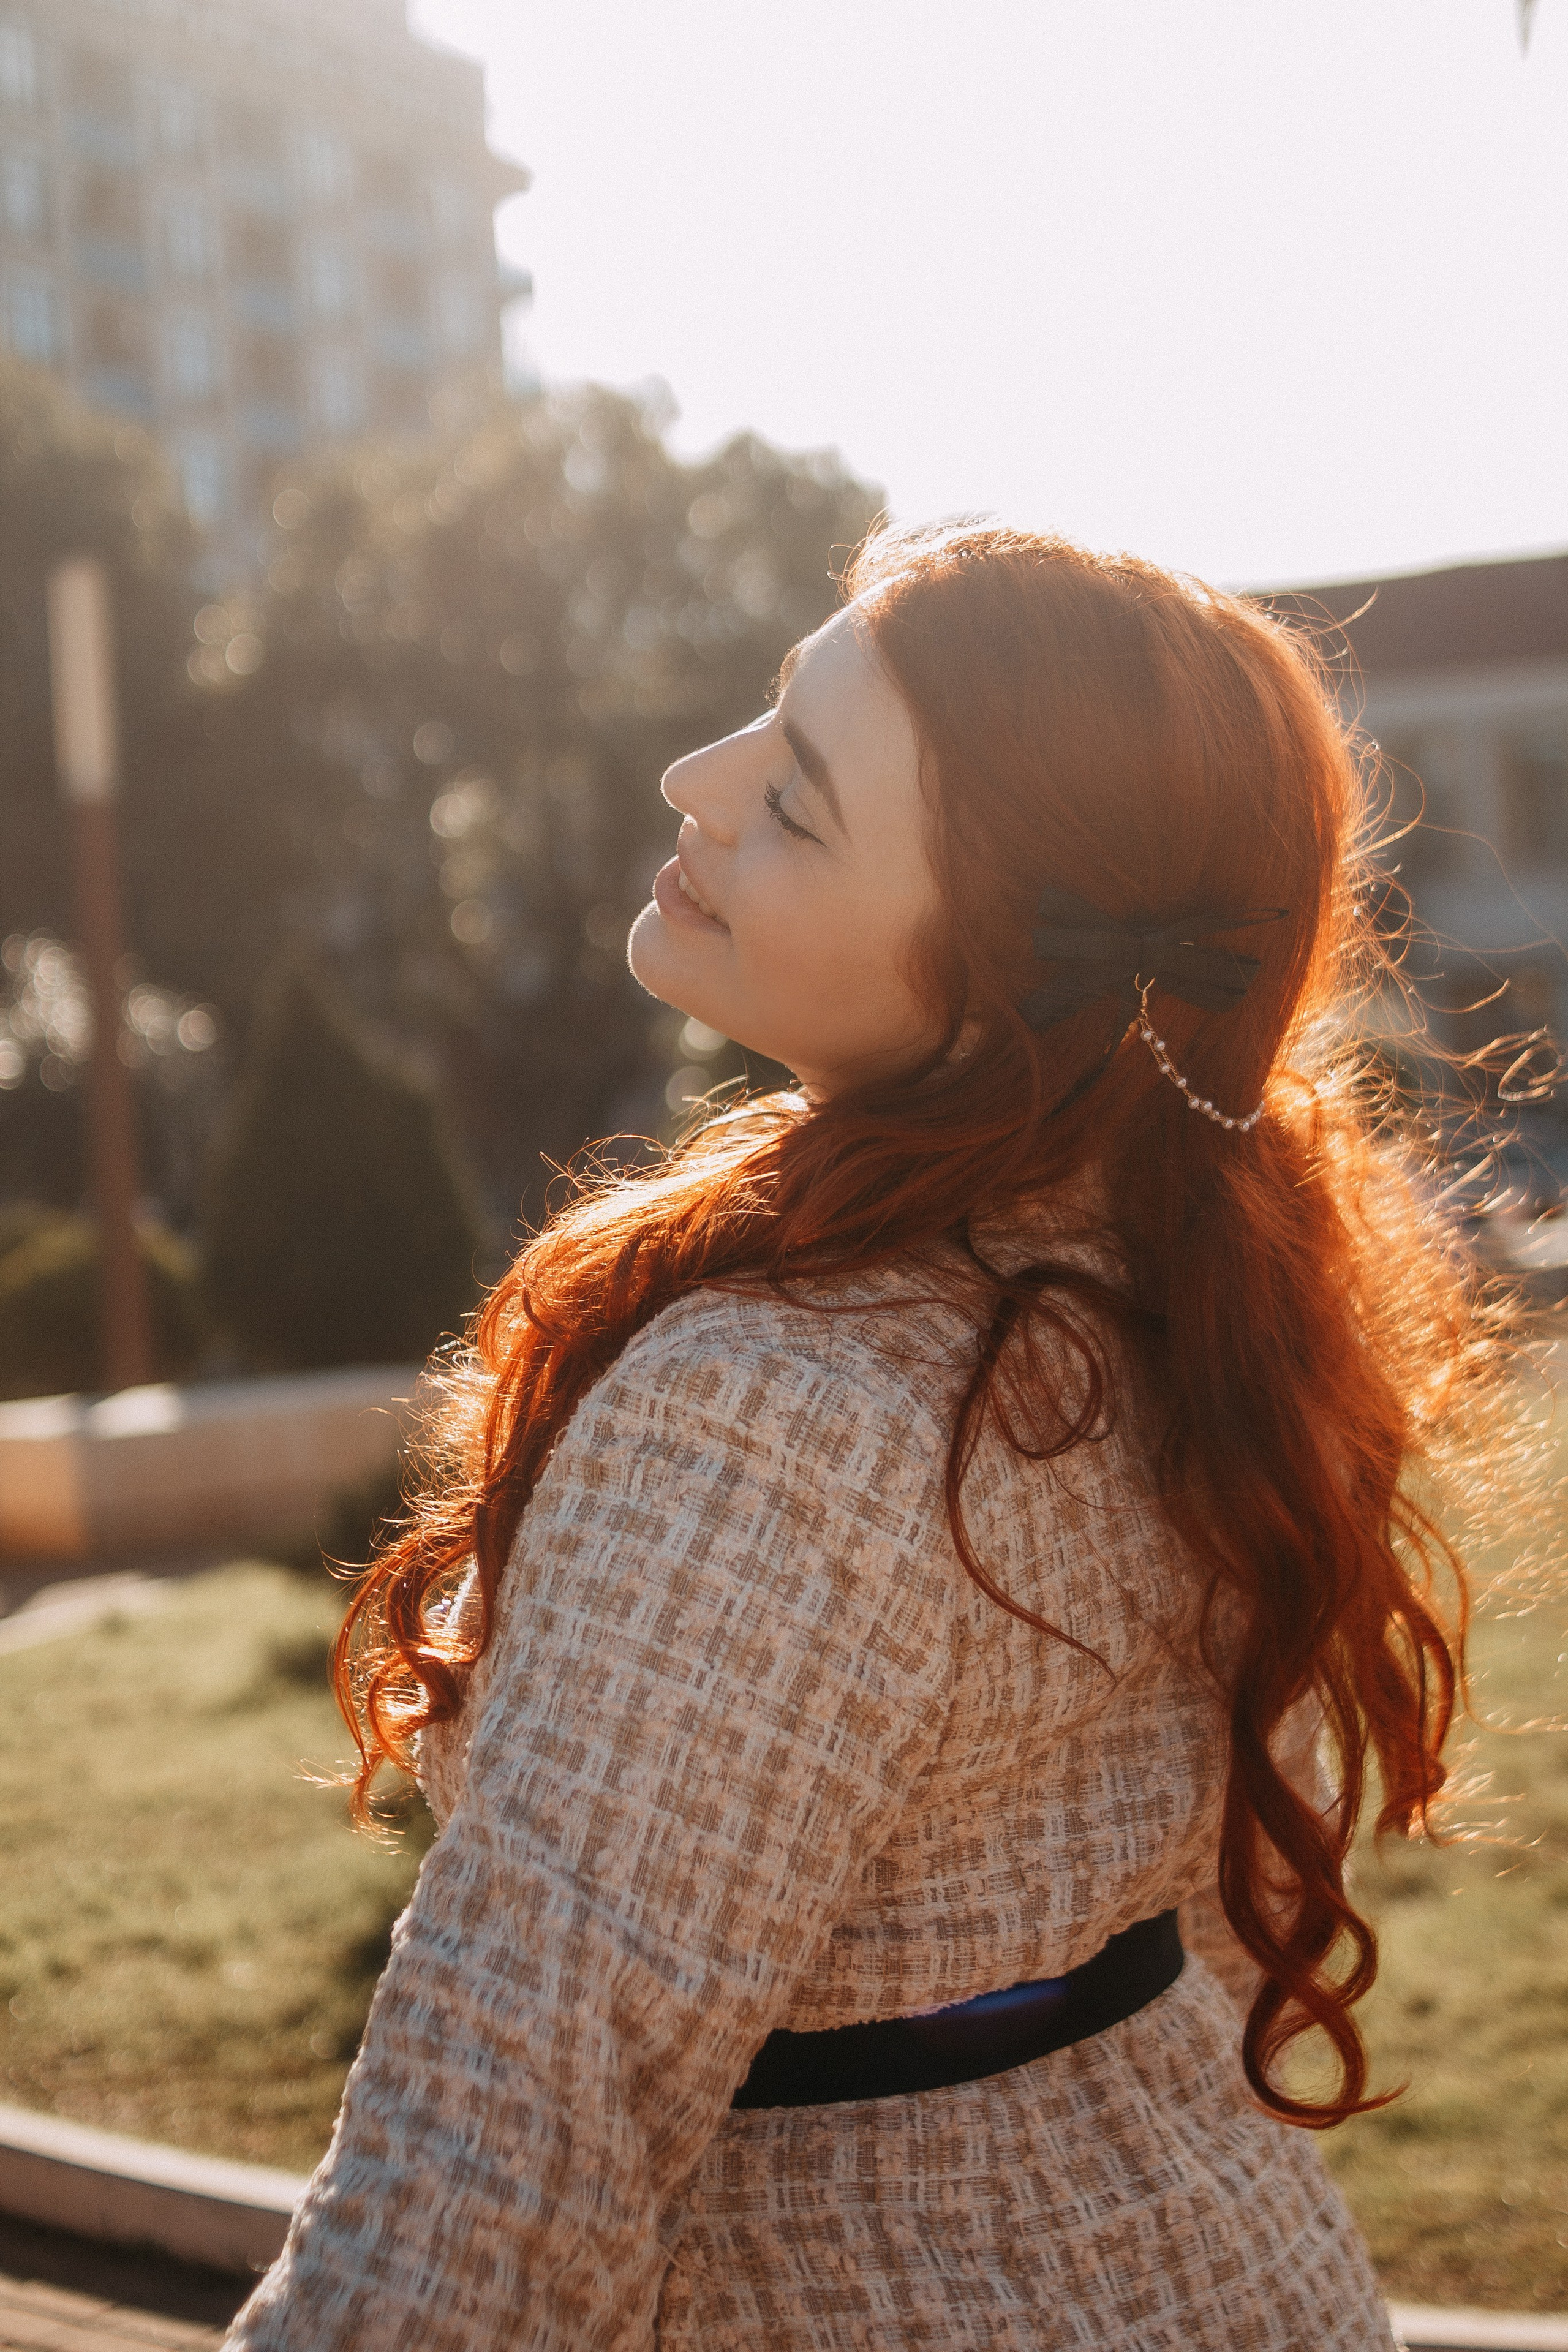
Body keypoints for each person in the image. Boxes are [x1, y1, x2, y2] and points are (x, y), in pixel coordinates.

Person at [225, 522, 1498, 2350]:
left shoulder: (768, 1417)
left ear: (995, 984)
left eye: (801, 800)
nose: (697, 780)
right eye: (769, 713)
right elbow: (1182, 1945)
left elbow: (499, 2142)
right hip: (1235, 2277)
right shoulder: (1191, 1279)